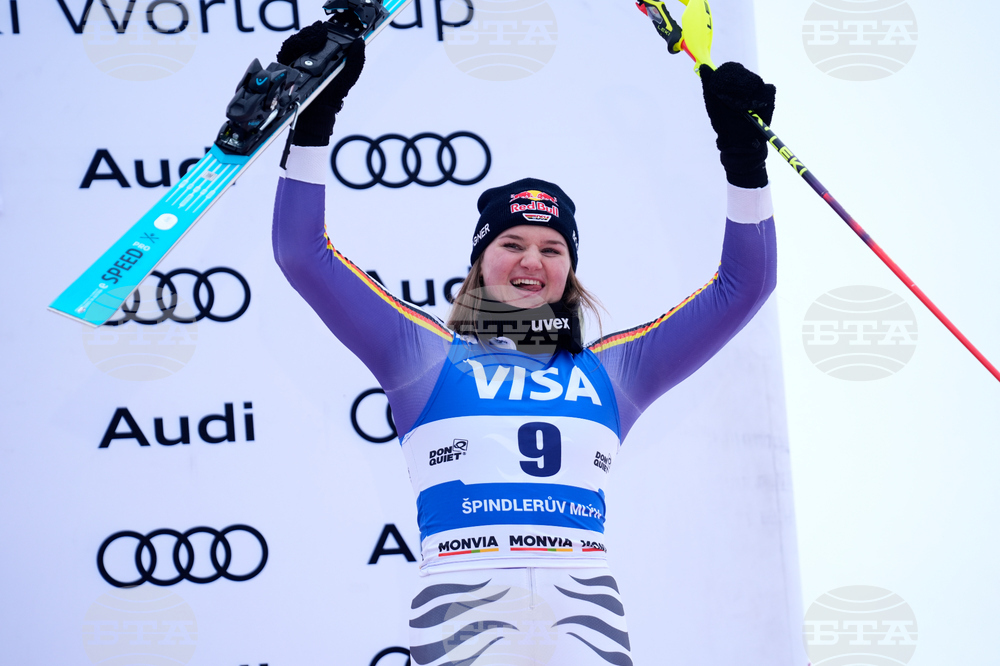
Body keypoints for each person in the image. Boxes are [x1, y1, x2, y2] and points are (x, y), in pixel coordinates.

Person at [272, 21, 776, 666]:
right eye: (510, 243)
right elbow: (302, 254)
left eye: (551, 248)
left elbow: (745, 285)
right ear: (480, 262)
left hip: (584, 616)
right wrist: (317, 118)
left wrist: (745, 163)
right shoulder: (423, 358)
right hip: (464, 611)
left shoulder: (617, 371)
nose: (531, 260)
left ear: (570, 270)